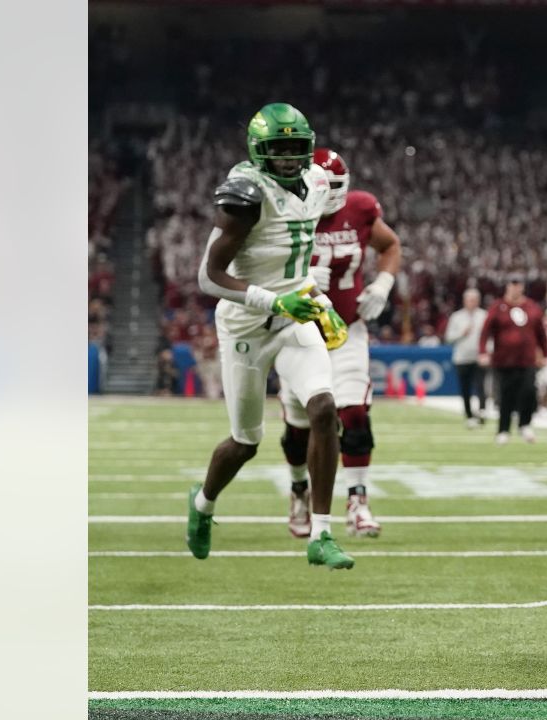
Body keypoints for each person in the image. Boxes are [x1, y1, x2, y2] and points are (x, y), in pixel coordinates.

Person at [189, 103, 354, 569]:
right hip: (246, 324)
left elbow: (293, 257)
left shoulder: (319, 181)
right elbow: (209, 276)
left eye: (294, 149)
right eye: (276, 149)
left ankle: (321, 534)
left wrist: (314, 300)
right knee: (245, 442)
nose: (285, 158)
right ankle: (203, 505)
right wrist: (273, 300)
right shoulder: (246, 191)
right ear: (259, 152)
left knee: (324, 408)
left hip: (295, 317)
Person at [277, 148, 401, 540]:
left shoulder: (361, 208)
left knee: (355, 417)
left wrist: (383, 283)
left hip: (347, 330)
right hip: (296, 333)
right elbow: (257, 269)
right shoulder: (283, 211)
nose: (329, 193)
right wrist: (300, 276)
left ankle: (358, 502)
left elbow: (390, 245)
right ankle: (299, 491)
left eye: (336, 187)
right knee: (299, 428)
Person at [479, 276, 547, 444]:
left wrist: (545, 353)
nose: (515, 288)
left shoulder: (532, 307)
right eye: (512, 284)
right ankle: (503, 430)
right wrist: (482, 352)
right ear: (507, 286)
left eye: (518, 284)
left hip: (527, 359)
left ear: (522, 287)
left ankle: (525, 424)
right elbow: (485, 331)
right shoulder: (497, 307)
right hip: (504, 360)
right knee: (505, 396)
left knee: (529, 392)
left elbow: (541, 332)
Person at [444, 288, 488, 426]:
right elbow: (448, 338)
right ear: (464, 301)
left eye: (474, 300)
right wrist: (461, 334)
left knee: (481, 386)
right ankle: (469, 415)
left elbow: (490, 336)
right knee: (465, 388)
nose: (472, 303)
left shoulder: (484, 315)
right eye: (470, 300)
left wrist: (488, 352)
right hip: (462, 358)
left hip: (479, 357)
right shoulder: (456, 317)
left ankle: (481, 411)